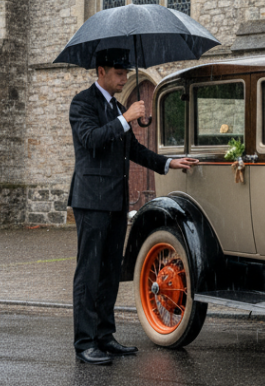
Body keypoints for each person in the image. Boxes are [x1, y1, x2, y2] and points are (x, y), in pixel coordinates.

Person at [67, 49, 198, 365]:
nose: (125, 78)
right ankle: (85, 343)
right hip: (90, 201)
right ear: (101, 72)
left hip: (115, 202)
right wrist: (124, 119)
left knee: (110, 270)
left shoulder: (117, 105)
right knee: (89, 272)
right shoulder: (82, 104)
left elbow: (134, 151)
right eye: (118, 73)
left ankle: (104, 337)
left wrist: (168, 162)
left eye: (126, 72)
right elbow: (91, 140)